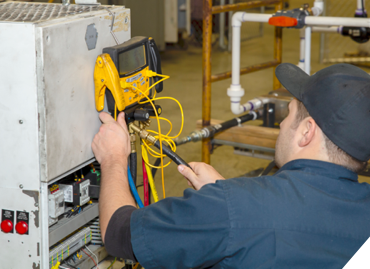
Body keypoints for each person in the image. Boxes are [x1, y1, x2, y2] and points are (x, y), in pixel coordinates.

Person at [92, 63, 370, 269]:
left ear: (306, 132)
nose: (283, 124)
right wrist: (228, 198)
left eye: (289, 113)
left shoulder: (231, 206)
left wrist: (114, 158)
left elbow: (118, 233)